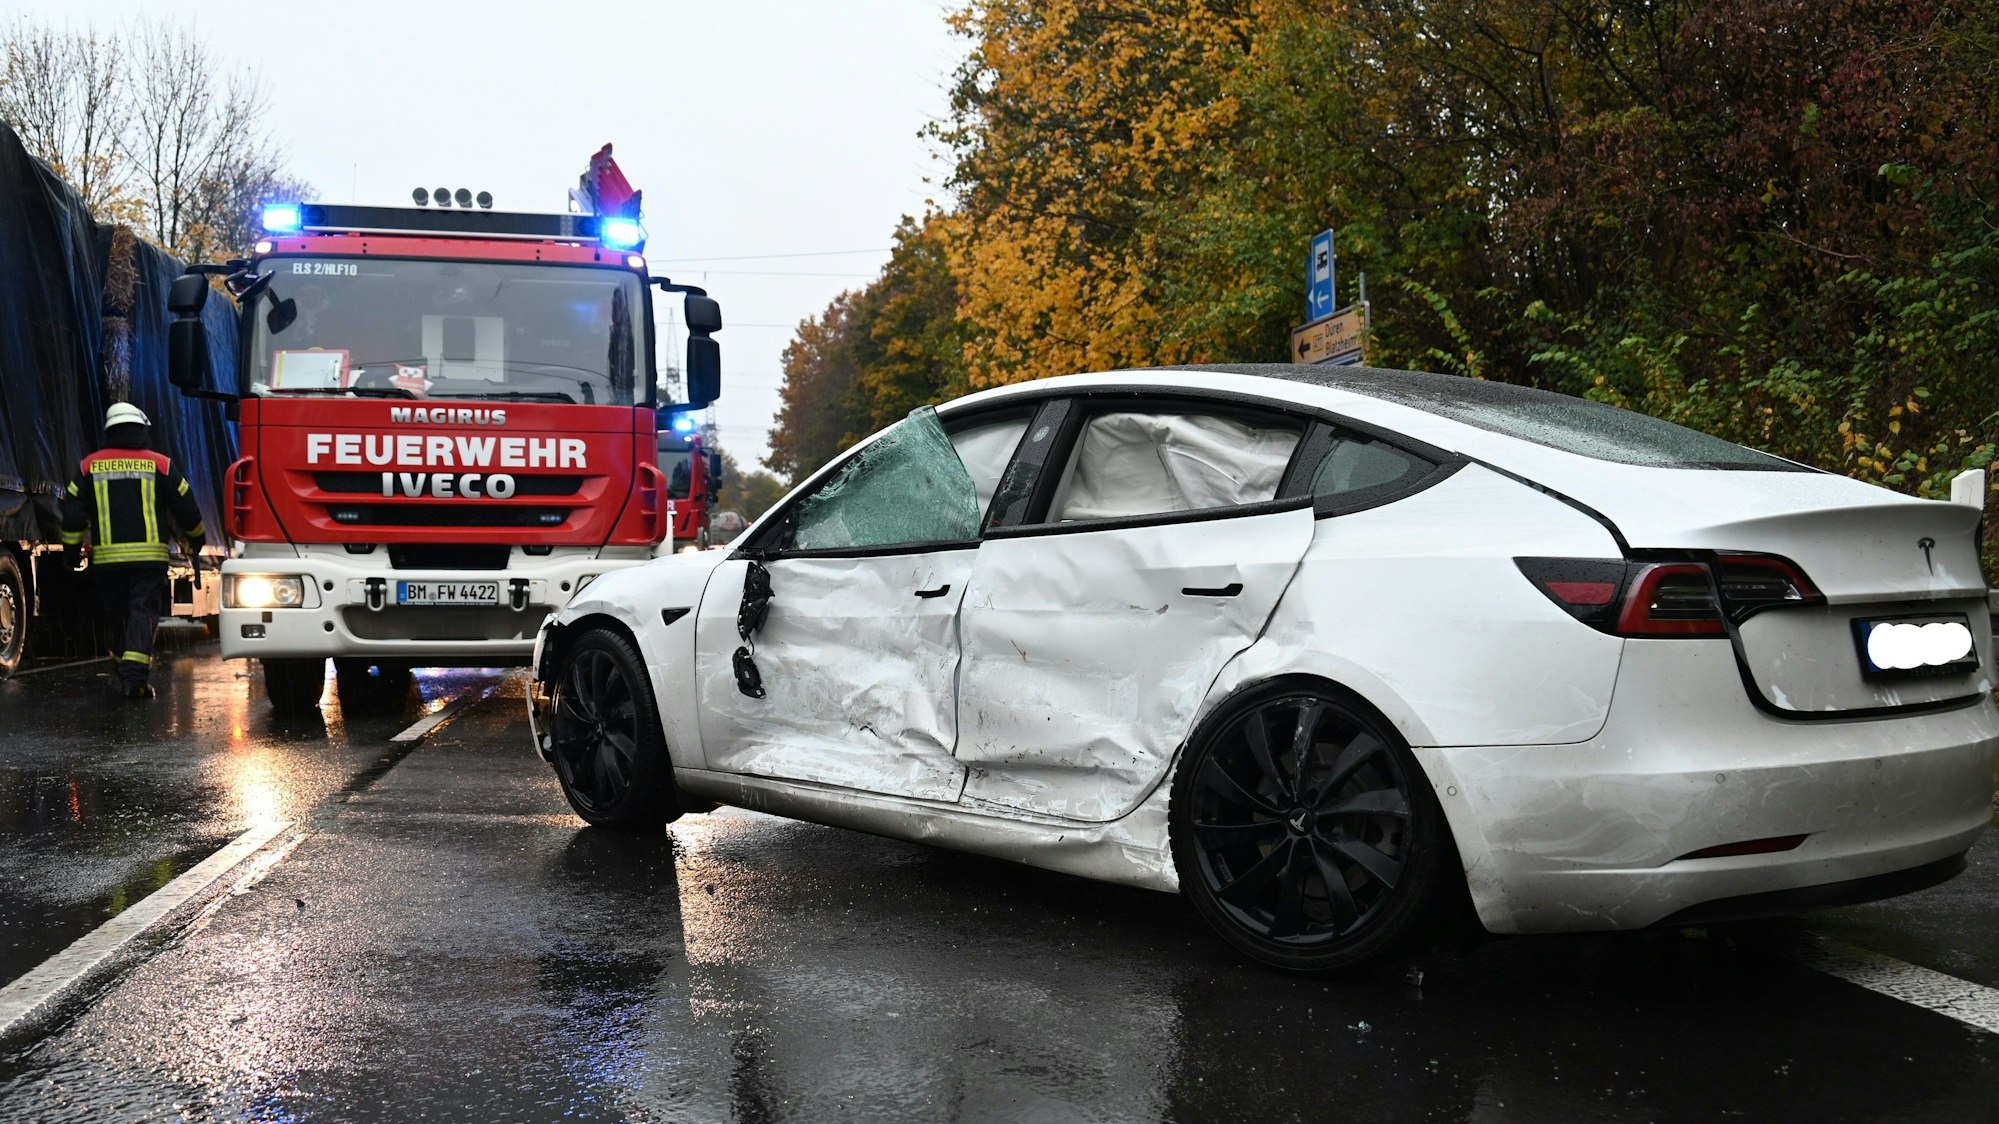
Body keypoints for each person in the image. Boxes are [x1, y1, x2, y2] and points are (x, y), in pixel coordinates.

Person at [59, 403, 207, 699]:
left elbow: (73, 515)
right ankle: (134, 678)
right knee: (143, 612)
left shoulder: (89, 466)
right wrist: (197, 539)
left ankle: (122, 665)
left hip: (107, 562)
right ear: (142, 430)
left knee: (118, 614)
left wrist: (71, 553)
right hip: (148, 560)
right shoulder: (160, 464)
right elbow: (185, 505)